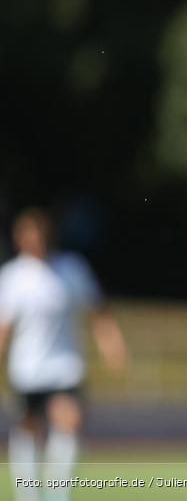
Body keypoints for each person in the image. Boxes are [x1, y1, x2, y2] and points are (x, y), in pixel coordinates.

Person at [0, 208, 128, 501]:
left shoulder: (72, 269)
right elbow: (3, 329)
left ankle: (58, 495)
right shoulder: (12, 277)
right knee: (28, 430)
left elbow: (98, 312)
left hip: (65, 366)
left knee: (68, 423)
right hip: (27, 370)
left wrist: (112, 345)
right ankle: (29, 495)